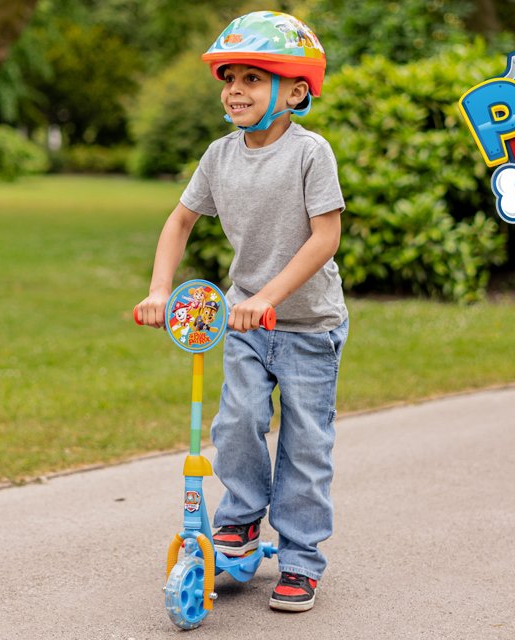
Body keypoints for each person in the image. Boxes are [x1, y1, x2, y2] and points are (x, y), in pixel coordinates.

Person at [135, 10, 347, 613]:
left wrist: (267, 298)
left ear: (297, 91)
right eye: (229, 78)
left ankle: (302, 558)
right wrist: (158, 289)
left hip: (308, 325)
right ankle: (241, 520)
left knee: (305, 444)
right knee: (236, 423)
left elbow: (324, 238)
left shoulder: (311, 153)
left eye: (253, 78)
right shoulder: (219, 156)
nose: (235, 89)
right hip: (244, 324)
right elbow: (180, 221)